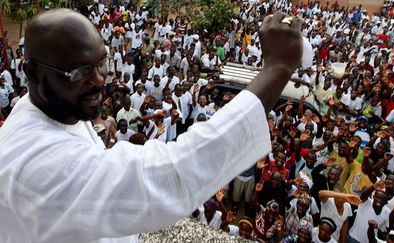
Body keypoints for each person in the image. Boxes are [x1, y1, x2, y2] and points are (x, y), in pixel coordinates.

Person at [0, 9, 304, 243]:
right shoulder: (34, 163)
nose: (98, 81)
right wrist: (276, 69)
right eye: (79, 71)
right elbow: (172, 174)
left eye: (101, 64)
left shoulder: (52, 108)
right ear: (32, 72)